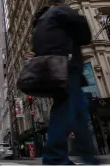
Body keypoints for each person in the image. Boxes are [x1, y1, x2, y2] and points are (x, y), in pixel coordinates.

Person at [31, 0, 100, 164]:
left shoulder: (38, 25)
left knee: (78, 111)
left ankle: (88, 155)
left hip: (52, 72)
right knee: (67, 109)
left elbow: (37, 49)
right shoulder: (59, 11)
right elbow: (82, 28)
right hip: (66, 67)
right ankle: (54, 156)